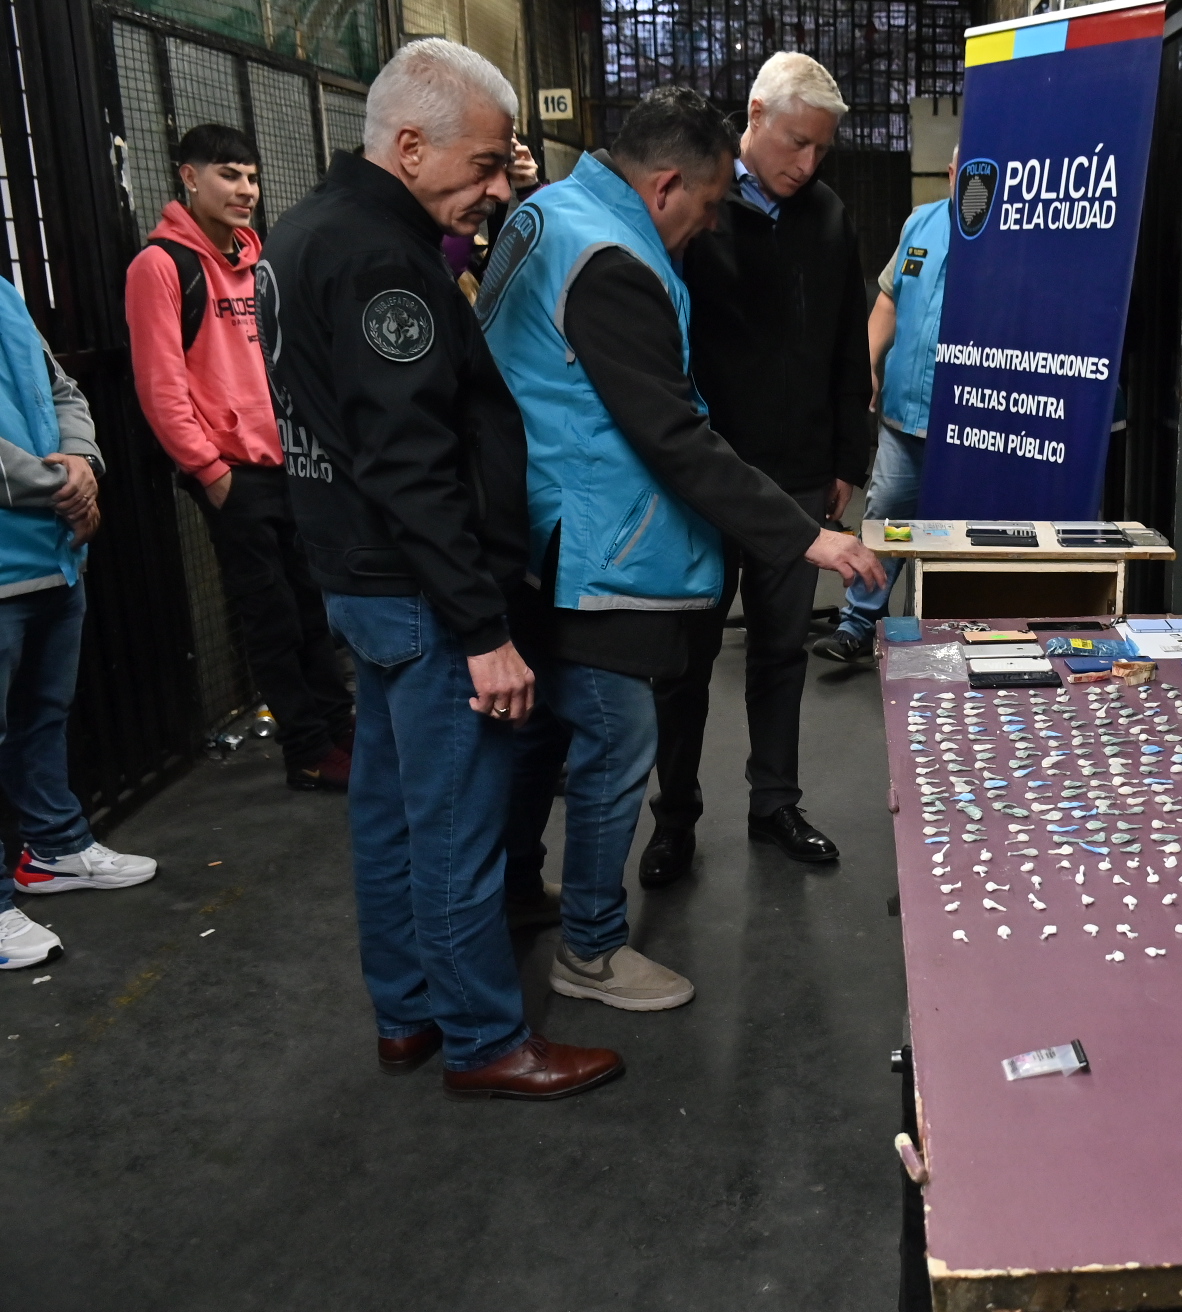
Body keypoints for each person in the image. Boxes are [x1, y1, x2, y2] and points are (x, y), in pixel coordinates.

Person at [257, 37, 618, 1099]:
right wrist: (483, 629)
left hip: (361, 577)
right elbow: (410, 461)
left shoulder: (306, 230)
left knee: (388, 805)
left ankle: (407, 1011)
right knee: (456, 818)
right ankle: (484, 1038)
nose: (498, 187)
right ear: (409, 146)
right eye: (488, 164)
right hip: (417, 587)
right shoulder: (380, 258)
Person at [478, 87, 884, 1008]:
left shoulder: (549, 215)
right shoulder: (616, 259)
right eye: (703, 212)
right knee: (618, 740)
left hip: (539, 531)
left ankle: (515, 889)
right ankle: (591, 946)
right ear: (665, 186)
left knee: (543, 734)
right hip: (599, 542)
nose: (705, 231)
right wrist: (802, 537)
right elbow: (670, 433)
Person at [647, 52, 873, 879]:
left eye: (821, 150)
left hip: (802, 476)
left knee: (781, 652)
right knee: (685, 657)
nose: (805, 165)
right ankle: (674, 816)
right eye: (795, 143)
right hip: (705, 481)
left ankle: (774, 802)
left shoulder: (828, 217)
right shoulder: (692, 209)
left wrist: (847, 455)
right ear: (754, 114)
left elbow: (852, 342)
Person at [125, 123, 354, 792]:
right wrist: (210, 471)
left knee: (313, 607)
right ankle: (308, 750)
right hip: (232, 474)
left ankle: (342, 729)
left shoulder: (257, 260)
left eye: (252, 176)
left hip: (290, 463)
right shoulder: (161, 265)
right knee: (271, 617)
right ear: (188, 177)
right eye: (229, 174)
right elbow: (160, 386)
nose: (246, 189)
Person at [0, 278, 157, 970]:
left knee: (43, 714)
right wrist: (61, 485)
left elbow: (62, 389)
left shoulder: (4, 291)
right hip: (31, 533)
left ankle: (55, 849)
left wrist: (84, 464)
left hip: (50, 552)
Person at [813, 148, 957, 664]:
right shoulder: (921, 222)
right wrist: (866, 366)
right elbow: (889, 301)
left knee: (954, 536)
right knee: (885, 519)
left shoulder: (1012, 239)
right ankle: (857, 623)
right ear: (951, 170)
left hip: (967, 426)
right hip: (903, 415)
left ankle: (947, 635)